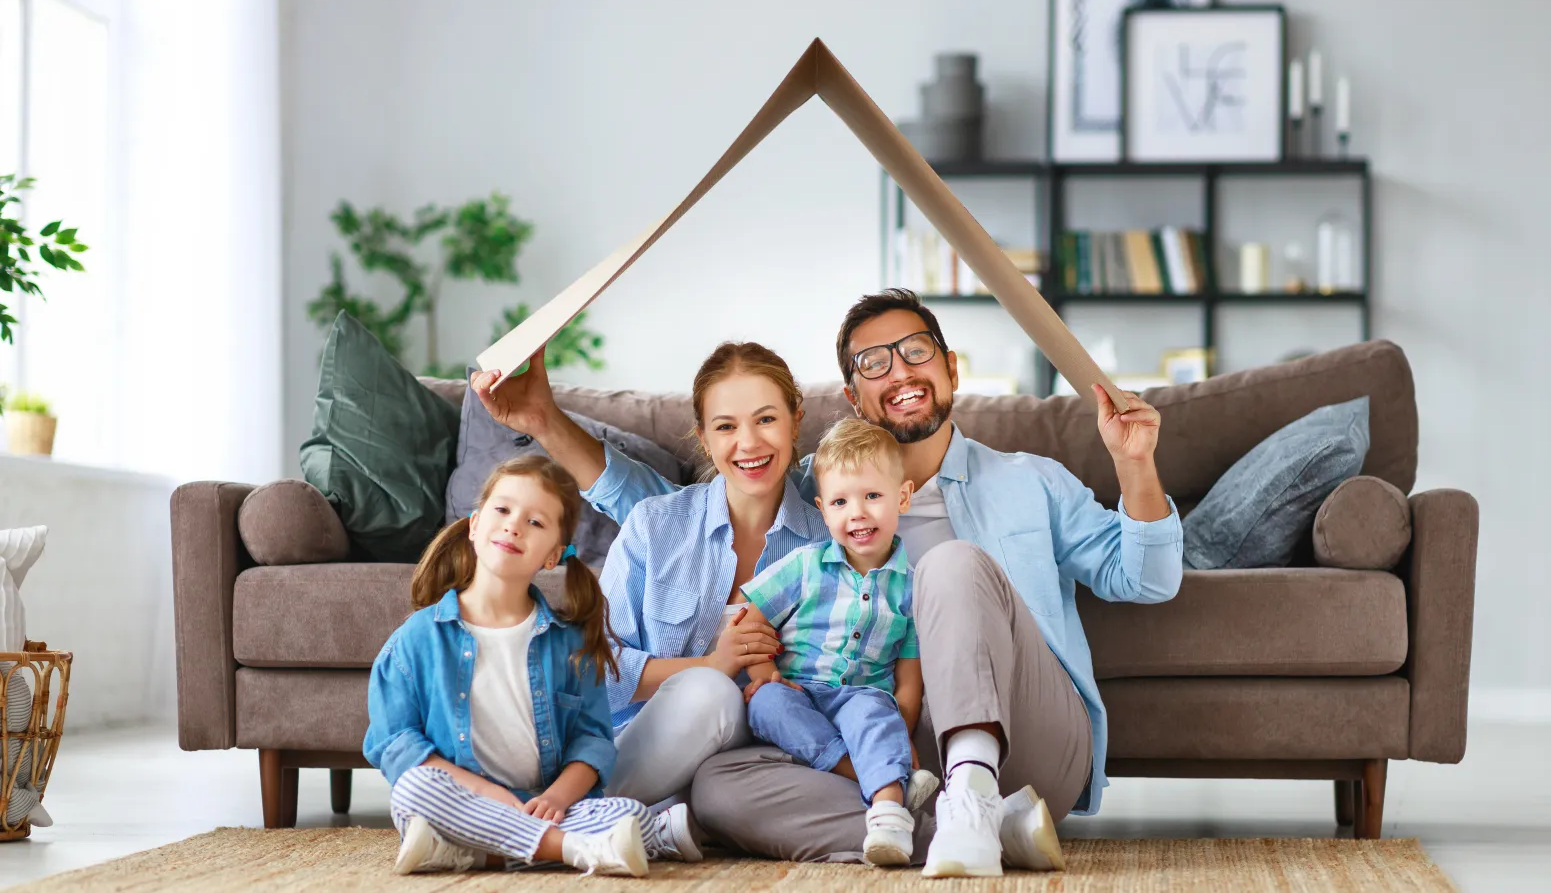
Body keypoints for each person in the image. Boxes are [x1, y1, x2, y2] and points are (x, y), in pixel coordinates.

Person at [472, 289, 1183, 875]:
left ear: (951, 367)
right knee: (719, 787)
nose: (899, 370)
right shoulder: (823, 495)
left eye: (915, 351)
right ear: (851, 396)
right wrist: (542, 420)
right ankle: (972, 829)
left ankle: (978, 796)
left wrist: (1135, 464)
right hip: (879, 751)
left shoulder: (1031, 481)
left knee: (949, 565)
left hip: (1026, 741)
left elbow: (1145, 580)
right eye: (874, 363)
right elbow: (677, 512)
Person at [473, 343, 832, 814]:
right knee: (711, 693)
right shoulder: (655, 524)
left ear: (795, 421)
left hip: (751, 764)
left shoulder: (827, 545)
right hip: (638, 747)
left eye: (766, 420)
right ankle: (576, 814)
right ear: (704, 439)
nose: (748, 443)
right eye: (726, 426)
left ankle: (592, 821)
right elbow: (598, 665)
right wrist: (712, 665)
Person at [363, 454, 699, 877]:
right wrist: (485, 792)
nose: (514, 525)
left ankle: (472, 853)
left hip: (540, 804)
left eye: (536, 523)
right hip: (457, 802)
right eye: (502, 510)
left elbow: (592, 743)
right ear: (474, 525)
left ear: (552, 555)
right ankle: (577, 849)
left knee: (624, 811)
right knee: (413, 790)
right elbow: (394, 744)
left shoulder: (571, 644)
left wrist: (558, 798)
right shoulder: (416, 639)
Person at [740, 419, 940, 867]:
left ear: (902, 497)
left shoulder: (912, 588)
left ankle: (889, 814)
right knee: (765, 704)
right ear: (823, 510)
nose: (858, 513)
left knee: (876, 713)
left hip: (862, 697)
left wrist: (899, 727)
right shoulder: (804, 566)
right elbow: (751, 620)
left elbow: (909, 679)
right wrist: (764, 677)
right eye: (840, 502)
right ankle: (881, 777)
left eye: (872, 496)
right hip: (800, 692)